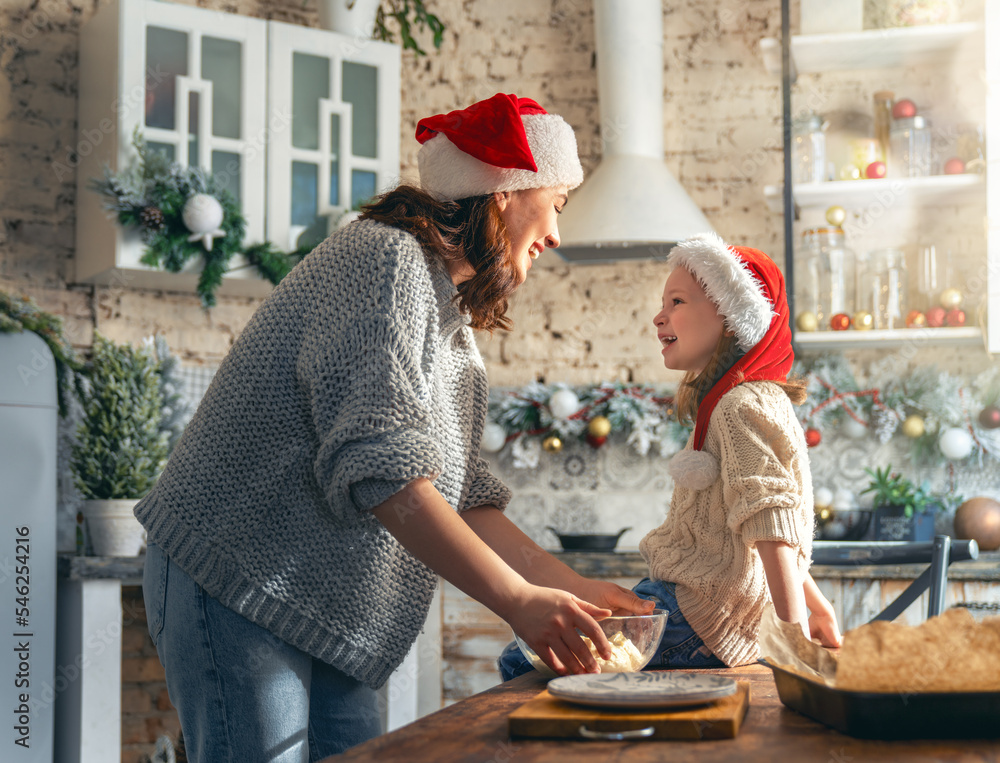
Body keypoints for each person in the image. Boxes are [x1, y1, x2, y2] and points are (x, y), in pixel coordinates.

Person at [136, 92, 653, 762]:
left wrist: (573, 590)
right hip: (238, 573)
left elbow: (463, 499)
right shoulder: (384, 261)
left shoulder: (453, 332)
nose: (556, 232)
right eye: (554, 202)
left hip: (320, 609)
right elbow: (386, 474)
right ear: (503, 194)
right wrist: (518, 600)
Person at [499, 232, 841, 680]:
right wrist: (817, 606)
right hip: (708, 616)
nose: (659, 317)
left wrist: (792, 636)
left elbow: (772, 524)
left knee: (518, 659)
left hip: (692, 616)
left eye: (677, 301)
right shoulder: (761, 401)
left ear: (732, 315)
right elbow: (771, 530)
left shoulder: (739, 406)